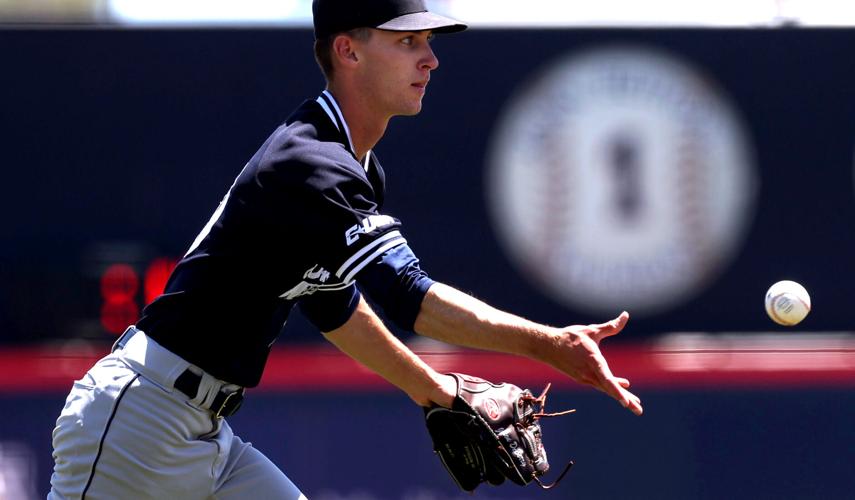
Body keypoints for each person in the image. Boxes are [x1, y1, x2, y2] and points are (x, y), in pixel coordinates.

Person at [49, 0, 643, 498]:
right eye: (408, 41)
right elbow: (409, 297)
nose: (430, 58)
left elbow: (334, 305)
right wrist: (548, 344)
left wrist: (433, 390)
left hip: (202, 433)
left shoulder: (354, 166)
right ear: (348, 50)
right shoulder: (312, 163)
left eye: (428, 41)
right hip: (137, 422)